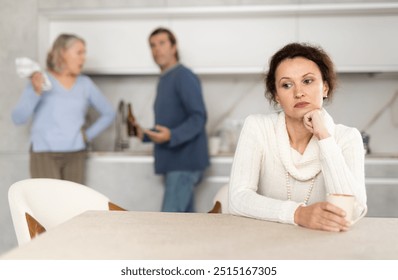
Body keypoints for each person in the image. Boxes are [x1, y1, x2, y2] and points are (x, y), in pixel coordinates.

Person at [228, 42, 367, 232]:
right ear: (276, 96)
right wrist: (298, 214)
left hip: (323, 245)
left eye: (308, 81)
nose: (299, 92)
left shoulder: (348, 138)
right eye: (286, 85)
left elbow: (353, 211)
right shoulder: (258, 127)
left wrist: (324, 137)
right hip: (262, 240)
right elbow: (238, 198)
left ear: (325, 88)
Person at [12, 33, 115, 184]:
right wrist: (35, 92)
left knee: (73, 206)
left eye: (84, 53)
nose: (83, 58)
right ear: (62, 53)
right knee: (48, 205)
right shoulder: (41, 80)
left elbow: (109, 113)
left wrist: (86, 137)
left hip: (75, 154)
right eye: (79, 52)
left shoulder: (85, 84)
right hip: (44, 154)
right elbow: (18, 118)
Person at [133, 27, 209, 212]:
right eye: (152, 45)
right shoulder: (166, 78)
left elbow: (198, 117)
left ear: (174, 47)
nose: (157, 49)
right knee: (184, 226)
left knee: (167, 225)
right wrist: (144, 134)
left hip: (183, 163)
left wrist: (171, 136)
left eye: (162, 43)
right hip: (176, 164)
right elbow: (168, 125)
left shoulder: (183, 76)